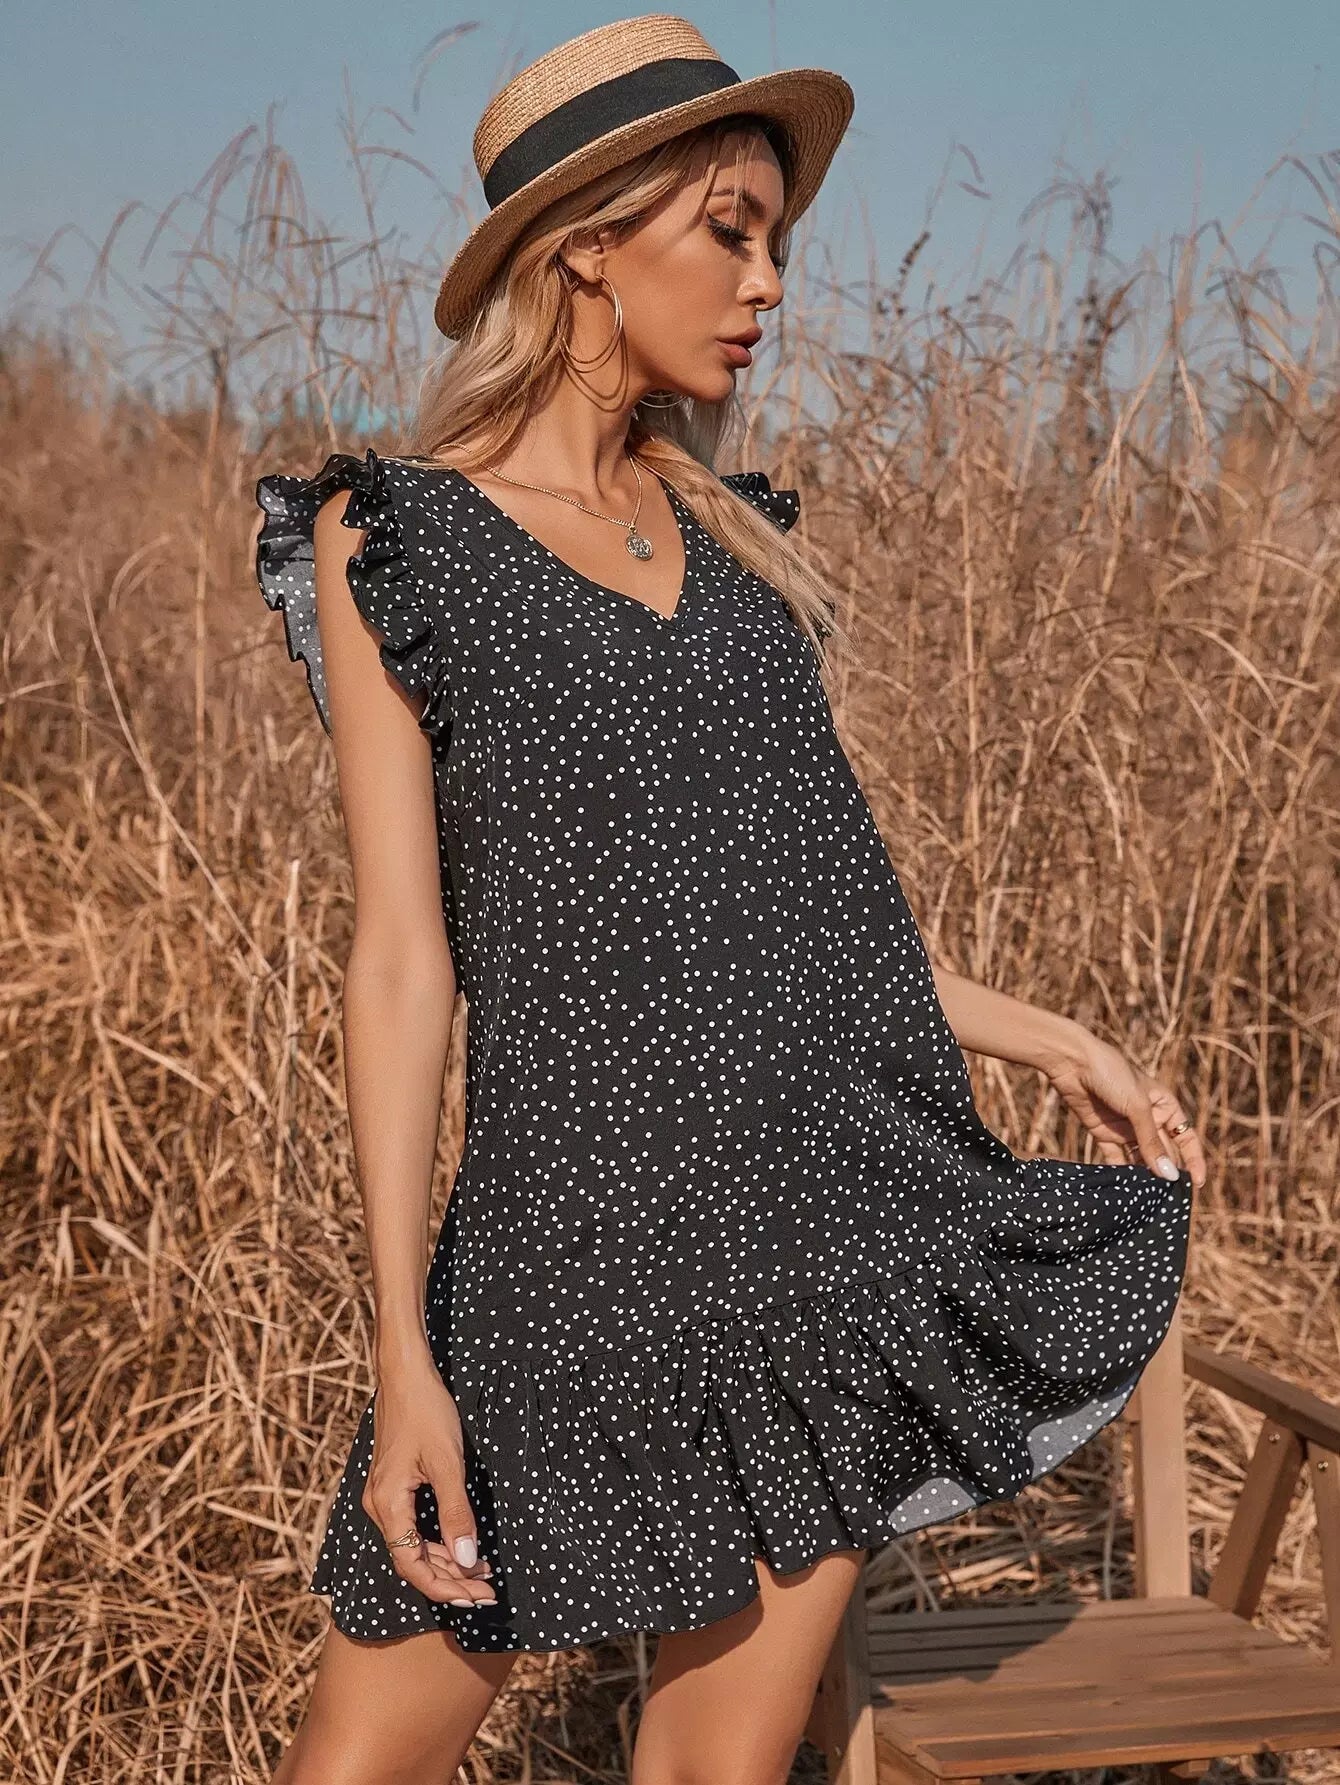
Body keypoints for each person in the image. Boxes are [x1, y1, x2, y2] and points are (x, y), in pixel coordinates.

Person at [253, 14, 1204, 1783]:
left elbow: (818, 930)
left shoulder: (742, 551)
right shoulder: (399, 536)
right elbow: (401, 963)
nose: (770, 282)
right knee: (351, 1766)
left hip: (807, 1253)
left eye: (777, 239)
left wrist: (1057, 1035)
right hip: (558, 1270)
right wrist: (404, 1354)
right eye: (730, 230)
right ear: (587, 245)